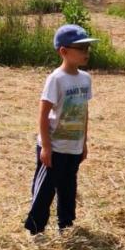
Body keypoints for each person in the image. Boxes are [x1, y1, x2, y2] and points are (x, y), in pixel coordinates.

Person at [24, 23, 96, 236]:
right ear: (63, 51)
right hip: (54, 147)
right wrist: (46, 146)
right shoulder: (56, 79)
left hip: (73, 147)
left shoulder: (85, 78)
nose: (86, 53)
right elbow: (43, 113)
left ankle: (66, 225)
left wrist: (83, 143)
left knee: (68, 188)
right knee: (45, 190)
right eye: (81, 48)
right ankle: (36, 229)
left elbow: (84, 112)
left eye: (87, 48)